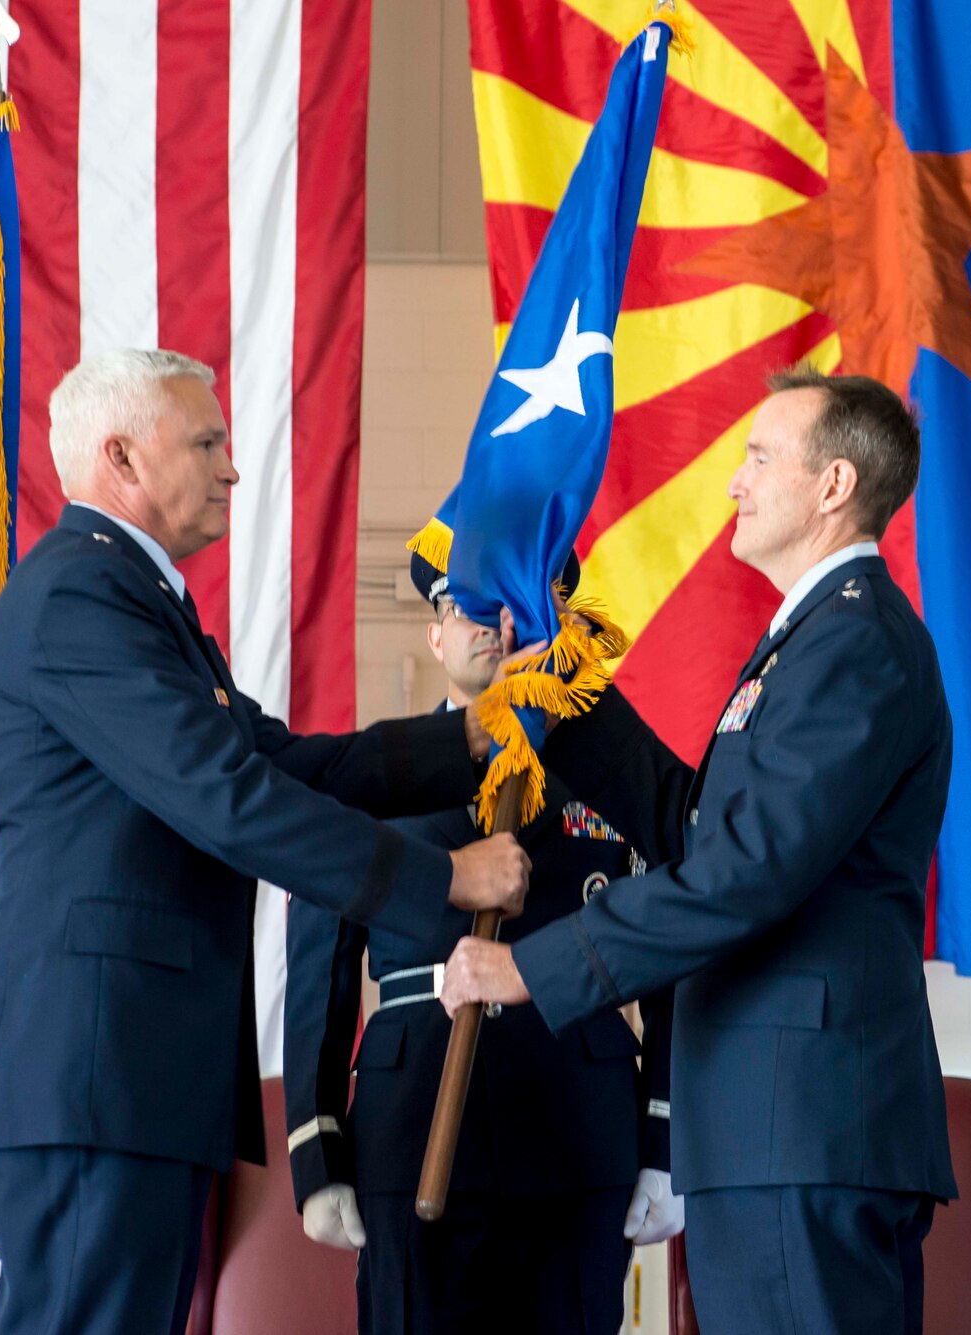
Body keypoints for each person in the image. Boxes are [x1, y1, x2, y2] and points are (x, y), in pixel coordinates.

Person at [0, 348, 530, 1335]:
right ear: (122, 458)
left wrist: (466, 738)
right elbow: (226, 799)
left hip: (129, 1079)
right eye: (207, 442)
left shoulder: (136, 602)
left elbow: (282, 764)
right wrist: (440, 879)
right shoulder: (78, 601)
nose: (231, 467)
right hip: (95, 1076)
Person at [439, 367, 957, 1334]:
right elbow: (702, 830)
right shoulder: (811, 641)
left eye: (760, 456)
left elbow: (744, 870)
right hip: (771, 1122)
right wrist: (567, 688)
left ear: (834, 484)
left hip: (804, 1122)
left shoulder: (854, 643)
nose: (734, 481)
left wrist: (532, 968)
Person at [282, 542, 678, 1334]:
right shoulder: (372, 773)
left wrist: (666, 1134)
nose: (495, 626)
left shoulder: (621, 774)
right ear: (434, 635)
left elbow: (673, 954)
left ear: (555, 626)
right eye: (467, 607)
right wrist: (316, 1144)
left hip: (579, 1126)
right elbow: (318, 974)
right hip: (412, 1123)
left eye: (522, 606)